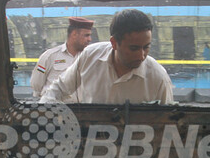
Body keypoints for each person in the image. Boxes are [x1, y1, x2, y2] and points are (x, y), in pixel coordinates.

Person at [40, 9, 174, 105]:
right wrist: (42, 117)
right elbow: (59, 89)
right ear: (114, 43)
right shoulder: (89, 57)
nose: (142, 55)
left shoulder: (158, 78)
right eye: (134, 48)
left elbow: (169, 124)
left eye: (146, 47)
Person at [30, 16, 94, 102]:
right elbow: (36, 86)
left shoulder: (88, 58)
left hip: (79, 111)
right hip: (54, 111)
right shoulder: (49, 56)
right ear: (74, 34)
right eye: (86, 35)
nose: (90, 39)